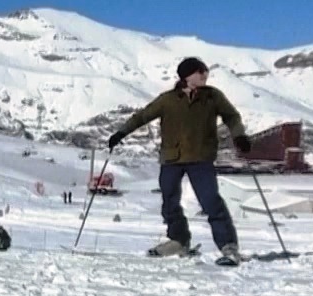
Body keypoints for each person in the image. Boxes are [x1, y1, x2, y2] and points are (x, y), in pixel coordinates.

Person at [106, 56, 252, 264]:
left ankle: (228, 247)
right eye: (200, 71)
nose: (205, 75)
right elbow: (142, 117)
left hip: (201, 158)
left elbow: (231, 117)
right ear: (187, 75)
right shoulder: (167, 100)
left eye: (205, 71)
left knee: (211, 201)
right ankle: (178, 240)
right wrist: (120, 134)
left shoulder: (212, 97)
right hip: (171, 158)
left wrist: (239, 136)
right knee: (169, 202)